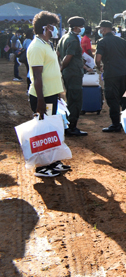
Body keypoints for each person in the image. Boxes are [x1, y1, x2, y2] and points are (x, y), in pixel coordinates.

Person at [26, 11, 72, 177]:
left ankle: (53, 162)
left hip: (51, 95)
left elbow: (51, 71)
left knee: (51, 130)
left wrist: (58, 93)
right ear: (45, 28)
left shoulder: (47, 44)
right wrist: (40, 101)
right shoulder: (37, 47)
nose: (55, 29)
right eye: (53, 26)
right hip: (42, 96)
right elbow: (37, 77)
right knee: (42, 132)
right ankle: (41, 167)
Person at [95, 20, 126, 133]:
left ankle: (115, 124)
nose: (99, 31)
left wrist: (99, 67)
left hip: (111, 74)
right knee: (125, 98)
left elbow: (98, 59)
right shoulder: (122, 41)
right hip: (124, 73)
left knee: (112, 98)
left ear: (104, 29)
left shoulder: (101, 42)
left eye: (100, 29)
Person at [57, 17, 88, 136]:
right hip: (73, 73)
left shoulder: (63, 37)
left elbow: (58, 54)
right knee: (75, 101)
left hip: (68, 73)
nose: (82, 28)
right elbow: (67, 58)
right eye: (81, 26)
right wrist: (61, 68)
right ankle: (72, 127)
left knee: (70, 98)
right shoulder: (73, 40)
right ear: (76, 27)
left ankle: (68, 125)